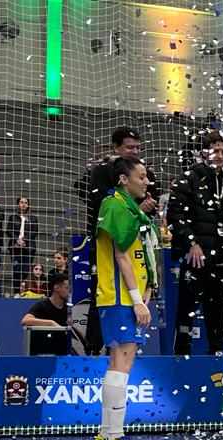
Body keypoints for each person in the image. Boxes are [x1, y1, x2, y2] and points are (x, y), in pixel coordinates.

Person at [92, 158, 160, 440]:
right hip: (120, 298)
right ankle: (114, 437)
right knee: (123, 363)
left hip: (123, 298)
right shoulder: (116, 207)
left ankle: (105, 433)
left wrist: (146, 290)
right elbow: (122, 257)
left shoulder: (127, 208)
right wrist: (136, 300)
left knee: (117, 363)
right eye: (141, 177)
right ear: (123, 179)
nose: (146, 182)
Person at [167, 132, 223, 356]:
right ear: (204, 152)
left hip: (221, 258)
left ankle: (216, 353)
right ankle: (181, 354)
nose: (219, 155)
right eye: (215, 150)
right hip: (195, 257)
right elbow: (175, 214)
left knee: (218, 310)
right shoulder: (189, 177)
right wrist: (191, 242)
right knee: (187, 310)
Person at [83, 127, 159, 355]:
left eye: (138, 147)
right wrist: (136, 209)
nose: (135, 151)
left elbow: (149, 210)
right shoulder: (103, 175)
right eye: (129, 147)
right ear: (115, 148)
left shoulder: (143, 173)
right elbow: (100, 205)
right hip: (111, 249)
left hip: (136, 253)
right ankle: (94, 349)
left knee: (125, 357)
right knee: (104, 296)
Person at [5, 196, 38, 296]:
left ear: (28, 205)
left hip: (28, 248)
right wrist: (17, 240)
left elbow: (34, 231)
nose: (23, 204)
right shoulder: (13, 217)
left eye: (25, 202)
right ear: (18, 204)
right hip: (15, 248)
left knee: (25, 270)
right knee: (16, 270)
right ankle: (16, 292)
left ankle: (24, 292)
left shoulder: (33, 218)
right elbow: (8, 230)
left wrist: (24, 241)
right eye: (21, 202)